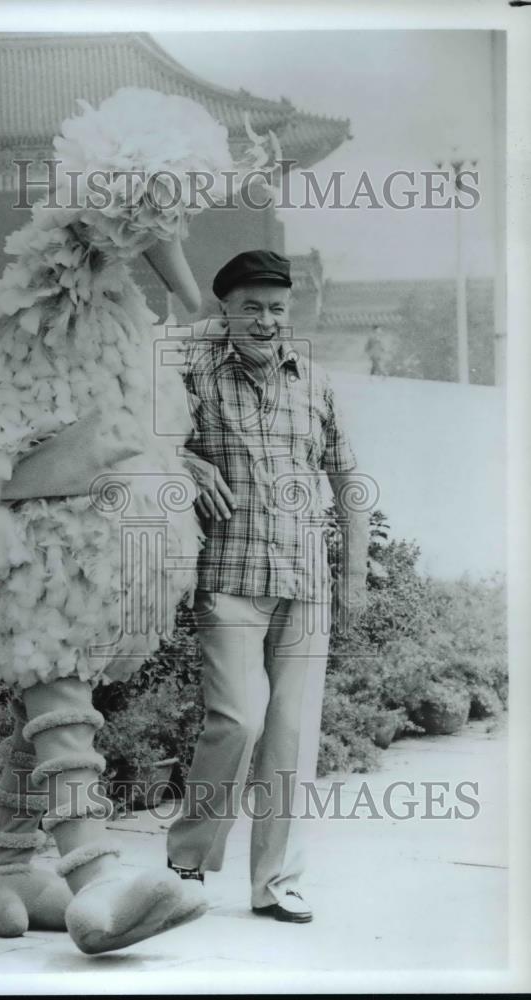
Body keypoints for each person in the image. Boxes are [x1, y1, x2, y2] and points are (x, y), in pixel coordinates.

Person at [166, 249, 370, 923]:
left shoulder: (316, 382)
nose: (265, 320)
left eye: (277, 308)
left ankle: (276, 883)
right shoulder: (190, 375)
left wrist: (354, 574)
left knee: (290, 734)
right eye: (251, 307)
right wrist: (184, 462)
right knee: (238, 719)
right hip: (228, 577)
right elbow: (138, 442)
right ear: (224, 309)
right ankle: (189, 858)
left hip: (305, 581)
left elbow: (348, 481)